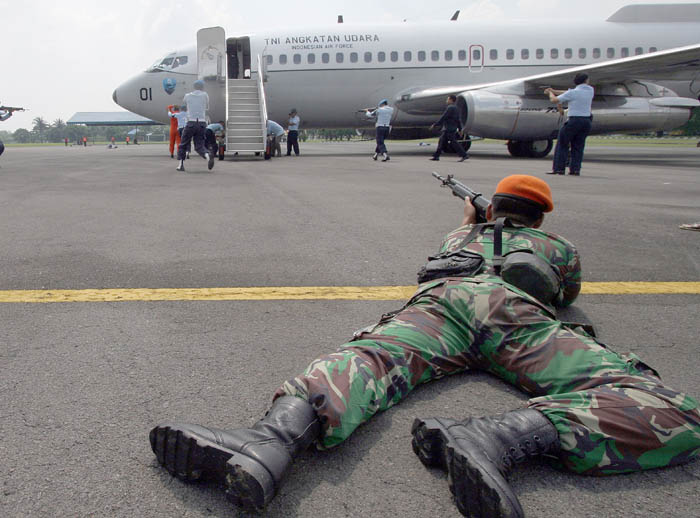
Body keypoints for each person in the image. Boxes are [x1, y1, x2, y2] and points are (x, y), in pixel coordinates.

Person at [148, 174, 700, 517]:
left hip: (443, 301)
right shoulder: (557, 244)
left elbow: (459, 243)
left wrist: (473, 223)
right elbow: (568, 292)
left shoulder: (459, 237)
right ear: (541, 216)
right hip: (514, 314)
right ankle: (497, 438)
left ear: (491, 207)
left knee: (370, 359)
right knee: (669, 407)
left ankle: (269, 441)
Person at [545, 73, 594, 176]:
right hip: (586, 121)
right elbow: (569, 92)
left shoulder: (573, 93)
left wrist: (550, 93)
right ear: (586, 81)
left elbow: (554, 100)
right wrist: (554, 91)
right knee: (578, 146)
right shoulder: (590, 90)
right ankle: (575, 170)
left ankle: (559, 169)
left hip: (574, 121)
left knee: (562, 144)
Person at [176, 80, 214, 172]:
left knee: (183, 144)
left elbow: (184, 103)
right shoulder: (205, 95)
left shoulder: (187, 96)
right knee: (199, 145)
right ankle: (207, 156)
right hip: (201, 122)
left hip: (191, 122)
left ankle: (181, 165)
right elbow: (207, 107)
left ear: (194, 86)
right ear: (202, 87)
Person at [430, 95, 469, 162]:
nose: (446, 100)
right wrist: (460, 129)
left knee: (454, 142)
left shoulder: (450, 108)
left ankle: (464, 155)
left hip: (449, 129)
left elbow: (443, 117)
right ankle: (436, 156)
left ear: (451, 100)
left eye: (448, 99)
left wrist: (435, 125)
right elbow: (458, 120)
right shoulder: (456, 108)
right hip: (451, 128)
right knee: (441, 141)